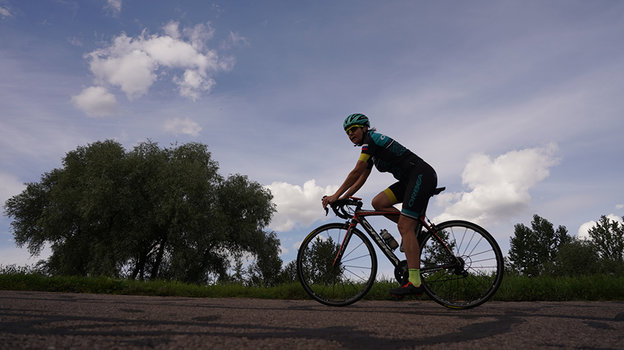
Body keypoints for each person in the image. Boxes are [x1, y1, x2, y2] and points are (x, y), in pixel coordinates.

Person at [322, 113, 438, 296]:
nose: (350, 134)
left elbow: (356, 171)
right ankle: (415, 231)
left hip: (421, 176)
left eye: (353, 129)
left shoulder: (372, 140)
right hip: (410, 181)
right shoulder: (371, 152)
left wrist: (335, 196)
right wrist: (344, 197)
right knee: (378, 202)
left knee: (404, 226)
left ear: (364, 128)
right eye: (347, 132)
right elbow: (361, 178)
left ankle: (415, 282)